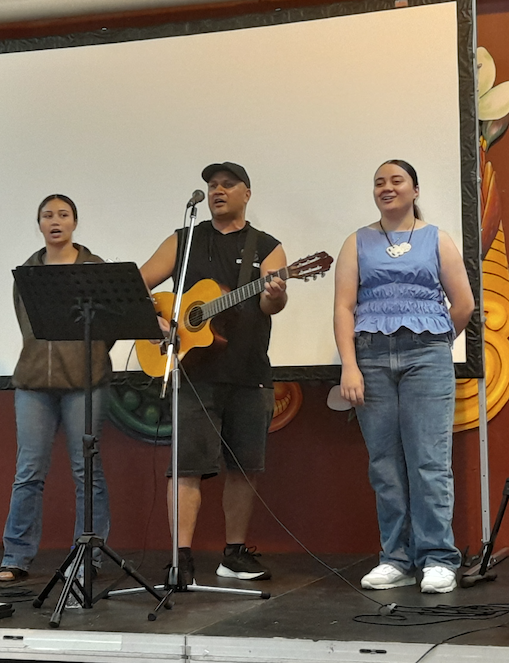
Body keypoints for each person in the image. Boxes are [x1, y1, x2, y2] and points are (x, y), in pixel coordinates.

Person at [139, 162, 288, 586]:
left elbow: (269, 306)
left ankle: (234, 555)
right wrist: (158, 322)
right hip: (192, 373)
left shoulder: (268, 246)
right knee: (186, 467)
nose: (217, 191)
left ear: (247, 193)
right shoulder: (184, 240)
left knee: (244, 468)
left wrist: (275, 294)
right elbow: (138, 283)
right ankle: (179, 559)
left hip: (248, 371)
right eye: (211, 185)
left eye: (227, 184)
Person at [332, 160, 474, 595]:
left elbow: (464, 303)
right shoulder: (356, 242)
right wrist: (349, 365)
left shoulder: (437, 239)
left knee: (429, 460)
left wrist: (433, 339)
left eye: (396, 181)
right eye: (379, 182)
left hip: (426, 357)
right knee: (385, 464)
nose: (387, 188)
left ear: (415, 190)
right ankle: (395, 558)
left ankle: (437, 559)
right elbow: (343, 308)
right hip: (371, 360)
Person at [0, 193, 112, 583]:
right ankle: (16, 556)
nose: (56, 220)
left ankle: (88, 557)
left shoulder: (95, 267)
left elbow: (109, 326)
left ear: (75, 222)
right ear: (40, 224)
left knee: (87, 471)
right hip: (33, 382)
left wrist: (87, 356)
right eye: (48, 215)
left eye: (63, 214)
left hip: (85, 382)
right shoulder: (27, 271)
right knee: (28, 471)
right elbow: (27, 325)